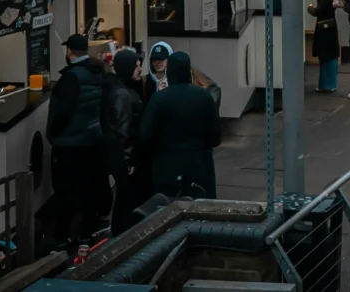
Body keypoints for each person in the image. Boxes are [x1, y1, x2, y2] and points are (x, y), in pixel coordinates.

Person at [46, 34, 107, 247]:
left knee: (65, 191)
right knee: (88, 188)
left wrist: (53, 133)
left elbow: (64, 111)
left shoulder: (71, 77)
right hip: (91, 139)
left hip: (69, 144)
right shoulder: (96, 72)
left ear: (69, 52)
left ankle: (62, 238)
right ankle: (86, 233)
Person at [140, 51, 222, 199]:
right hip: (196, 164)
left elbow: (145, 134)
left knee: (164, 212)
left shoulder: (159, 99)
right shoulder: (203, 97)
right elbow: (215, 134)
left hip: (165, 166)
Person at [101, 50, 144, 236]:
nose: (140, 69)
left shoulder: (116, 88)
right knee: (126, 198)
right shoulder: (123, 95)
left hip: (116, 154)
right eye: (136, 66)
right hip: (124, 157)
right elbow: (123, 130)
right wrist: (129, 160)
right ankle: (122, 234)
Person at [309, 0, 341, 92]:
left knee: (325, 55)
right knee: (330, 55)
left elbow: (318, 11)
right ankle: (329, 83)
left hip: (324, 29)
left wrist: (310, 8)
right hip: (330, 28)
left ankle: (326, 84)